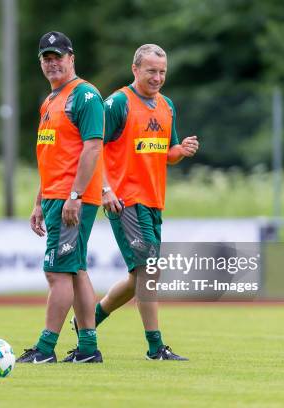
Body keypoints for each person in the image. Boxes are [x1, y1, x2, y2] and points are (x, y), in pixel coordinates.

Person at [73, 44, 199, 360]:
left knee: (137, 277)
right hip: (125, 200)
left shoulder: (167, 106)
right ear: (135, 70)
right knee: (150, 270)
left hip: (154, 201)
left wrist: (180, 151)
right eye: (151, 71)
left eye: (162, 72)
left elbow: (164, 154)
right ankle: (156, 347)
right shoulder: (118, 103)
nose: (157, 77)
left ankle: (89, 320)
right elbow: (93, 146)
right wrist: (104, 190)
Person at [16, 31, 105, 364]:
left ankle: (45, 348)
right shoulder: (50, 101)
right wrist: (39, 201)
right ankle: (87, 349)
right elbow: (50, 155)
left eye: (58, 56)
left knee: (57, 273)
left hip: (72, 198)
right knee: (75, 269)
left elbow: (93, 147)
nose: (52, 63)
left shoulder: (84, 96)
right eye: (46, 58)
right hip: (56, 196)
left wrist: (75, 195)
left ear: (72, 58)